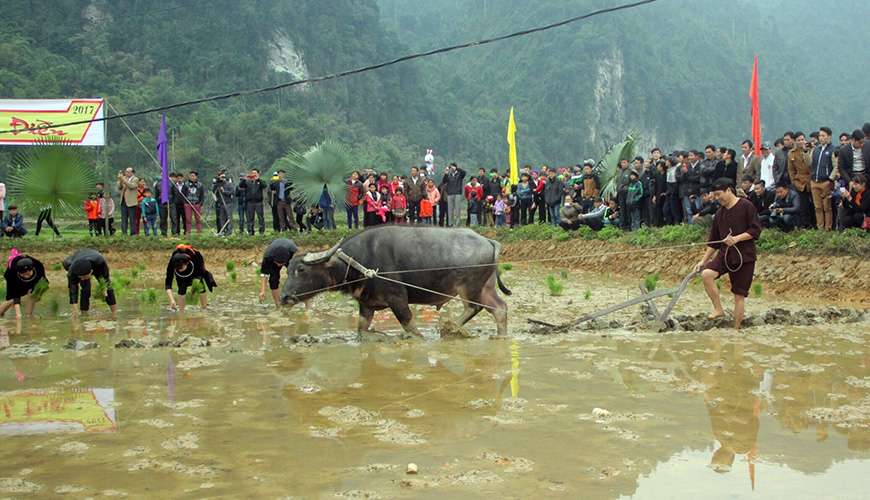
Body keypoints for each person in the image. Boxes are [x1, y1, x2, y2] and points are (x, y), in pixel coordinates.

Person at [694, 178, 762, 329]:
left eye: (719, 195)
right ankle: (718, 309)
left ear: (729, 190)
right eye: (715, 196)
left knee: (739, 296)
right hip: (725, 254)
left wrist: (737, 238)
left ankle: (736, 330)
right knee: (707, 274)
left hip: (744, 257)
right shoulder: (719, 213)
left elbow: (755, 230)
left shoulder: (746, 206)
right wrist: (703, 261)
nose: (717, 199)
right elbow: (714, 241)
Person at [63, 249, 116, 317]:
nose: (81, 279)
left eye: (83, 277)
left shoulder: (100, 262)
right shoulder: (71, 270)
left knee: (109, 289)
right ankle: (84, 314)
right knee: (86, 289)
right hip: (77, 262)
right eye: (80, 277)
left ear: (91, 272)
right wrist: (74, 310)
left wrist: (104, 288)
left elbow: (106, 279)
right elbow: (73, 290)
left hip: (96, 263)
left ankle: (114, 313)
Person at [164, 245, 216, 312]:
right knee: (181, 289)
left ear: (187, 263)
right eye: (177, 268)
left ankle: (204, 309)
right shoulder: (172, 263)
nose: (179, 270)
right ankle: (181, 312)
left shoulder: (196, 258)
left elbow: (201, 274)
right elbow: (168, 283)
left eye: (181, 268)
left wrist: (192, 292)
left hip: (196, 272)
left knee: (201, 287)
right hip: (181, 278)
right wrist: (172, 300)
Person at [0, 253, 47, 319]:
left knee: (33, 295)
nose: (26, 276)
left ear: (32, 269)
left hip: (33, 278)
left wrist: (38, 294)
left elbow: (44, 283)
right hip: (13, 278)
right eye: (23, 274)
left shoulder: (38, 267)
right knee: (12, 299)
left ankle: (28, 316)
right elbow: (16, 296)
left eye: (28, 274)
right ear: (18, 272)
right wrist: (18, 314)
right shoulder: (12, 273)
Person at [258, 238, 299, 308]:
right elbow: (264, 274)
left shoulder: (294, 252)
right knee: (273, 280)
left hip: (289, 255)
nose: (279, 266)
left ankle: (307, 304)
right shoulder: (268, 256)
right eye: (278, 263)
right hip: (273, 257)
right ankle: (278, 305)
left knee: (297, 276)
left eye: (281, 264)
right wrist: (263, 291)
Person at [810, 127, 836, 230]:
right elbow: (810, 164)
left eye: (823, 135)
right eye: (820, 136)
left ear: (829, 136)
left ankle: (828, 228)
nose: (821, 138)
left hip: (826, 182)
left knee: (827, 207)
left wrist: (830, 179)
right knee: (817, 207)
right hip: (814, 182)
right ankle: (820, 227)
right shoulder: (816, 150)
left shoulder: (832, 149)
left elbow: (836, 166)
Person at [787, 132, 813, 227]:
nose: (801, 142)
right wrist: (794, 182)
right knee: (803, 205)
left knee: (814, 204)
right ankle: (804, 225)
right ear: (794, 141)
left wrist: (806, 151)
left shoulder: (810, 149)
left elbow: (811, 164)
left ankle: (815, 224)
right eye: (799, 140)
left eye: (802, 139)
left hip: (811, 180)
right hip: (800, 182)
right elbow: (791, 170)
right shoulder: (791, 153)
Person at [244, 169, 267, 235]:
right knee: (250, 218)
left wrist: (258, 179)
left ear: (258, 174)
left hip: (258, 202)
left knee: (260, 217)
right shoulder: (248, 182)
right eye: (252, 173)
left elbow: (264, 186)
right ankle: (250, 232)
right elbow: (241, 185)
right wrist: (245, 179)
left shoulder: (260, 181)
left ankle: (261, 231)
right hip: (250, 203)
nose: (253, 174)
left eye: (255, 173)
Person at [117, 167, 139, 235]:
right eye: (126, 171)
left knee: (132, 219)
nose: (126, 173)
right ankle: (124, 233)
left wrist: (123, 179)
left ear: (132, 172)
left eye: (128, 172)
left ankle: (133, 233)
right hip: (123, 201)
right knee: (124, 218)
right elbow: (119, 187)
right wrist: (120, 179)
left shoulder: (135, 179)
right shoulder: (124, 178)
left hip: (131, 202)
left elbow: (131, 186)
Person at [443, 163, 466, 227]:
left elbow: (464, 173)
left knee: (457, 209)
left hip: (457, 193)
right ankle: (450, 223)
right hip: (450, 193)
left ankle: (457, 223)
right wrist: (446, 173)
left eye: (452, 167)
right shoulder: (448, 175)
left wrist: (457, 168)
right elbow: (444, 181)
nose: (451, 168)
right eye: (450, 167)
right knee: (450, 209)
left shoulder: (459, 174)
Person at [212, 170, 235, 235]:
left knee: (229, 217)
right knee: (222, 218)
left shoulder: (229, 184)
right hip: (221, 203)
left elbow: (232, 192)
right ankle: (223, 231)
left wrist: (224, 191)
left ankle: (229, 231)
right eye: (221, 177)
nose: (223, 178)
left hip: (228, 203)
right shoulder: (217, 184)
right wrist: (216, 183)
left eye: (224, 177)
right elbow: (213, 191)